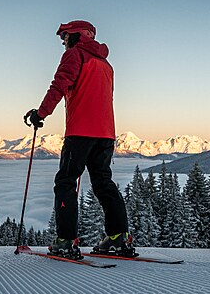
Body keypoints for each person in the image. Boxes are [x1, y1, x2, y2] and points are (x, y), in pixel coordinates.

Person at [24, 20, 136, 259]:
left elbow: (59, 85)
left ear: (76, 36)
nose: (63, 42)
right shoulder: (106, 64)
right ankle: (118, 238)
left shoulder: (75, 55)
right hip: (105, 133)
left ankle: (65, 241)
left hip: (80, 132)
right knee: (103, 183)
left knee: (65, 182)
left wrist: (40, 114)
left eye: (64, 36)